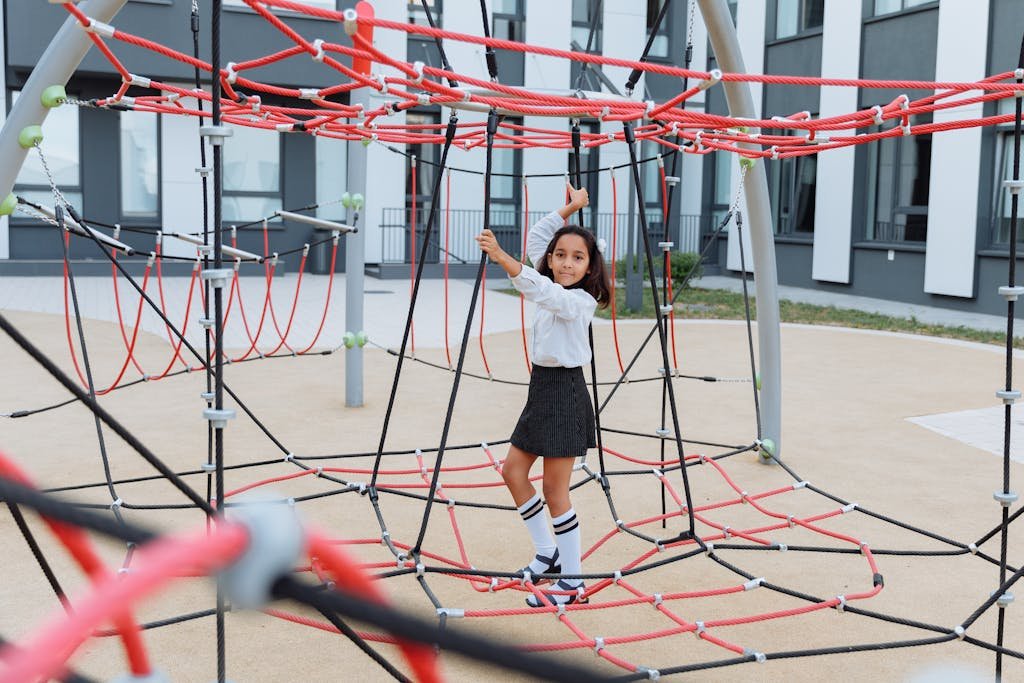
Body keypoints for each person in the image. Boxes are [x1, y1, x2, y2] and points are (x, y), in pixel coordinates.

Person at [475, 183, 611, 607]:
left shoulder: (579, 301)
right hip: (542, 388)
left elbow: (540, 289)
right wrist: (568, 209)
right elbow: (538, 239)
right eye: (560, 256)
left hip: (566, 392)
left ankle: (573, 584)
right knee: (513, 472)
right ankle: (547, 553)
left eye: (577, 258)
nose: (566, 264)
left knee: (556, 490)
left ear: (590, 267)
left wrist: (501, 258)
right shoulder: (549, 274)